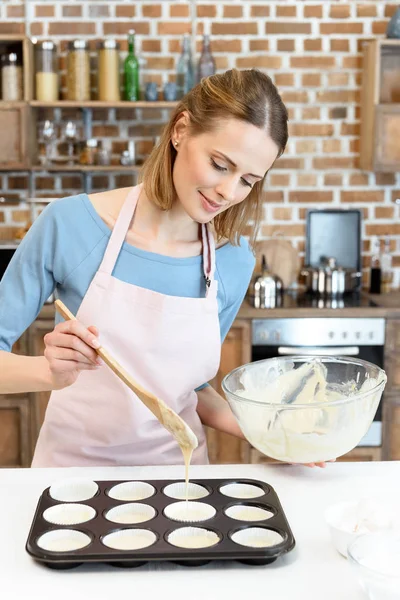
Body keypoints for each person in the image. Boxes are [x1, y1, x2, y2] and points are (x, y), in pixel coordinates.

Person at [0, 68, 327, 468]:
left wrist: (271, 434)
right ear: (181, 129)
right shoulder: (69, 226)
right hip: (72, 480)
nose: (229, 192)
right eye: (221, 164)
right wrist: (48, 373)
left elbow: (190, 391)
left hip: (179, 483)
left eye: (248, 180)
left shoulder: (233, 260)